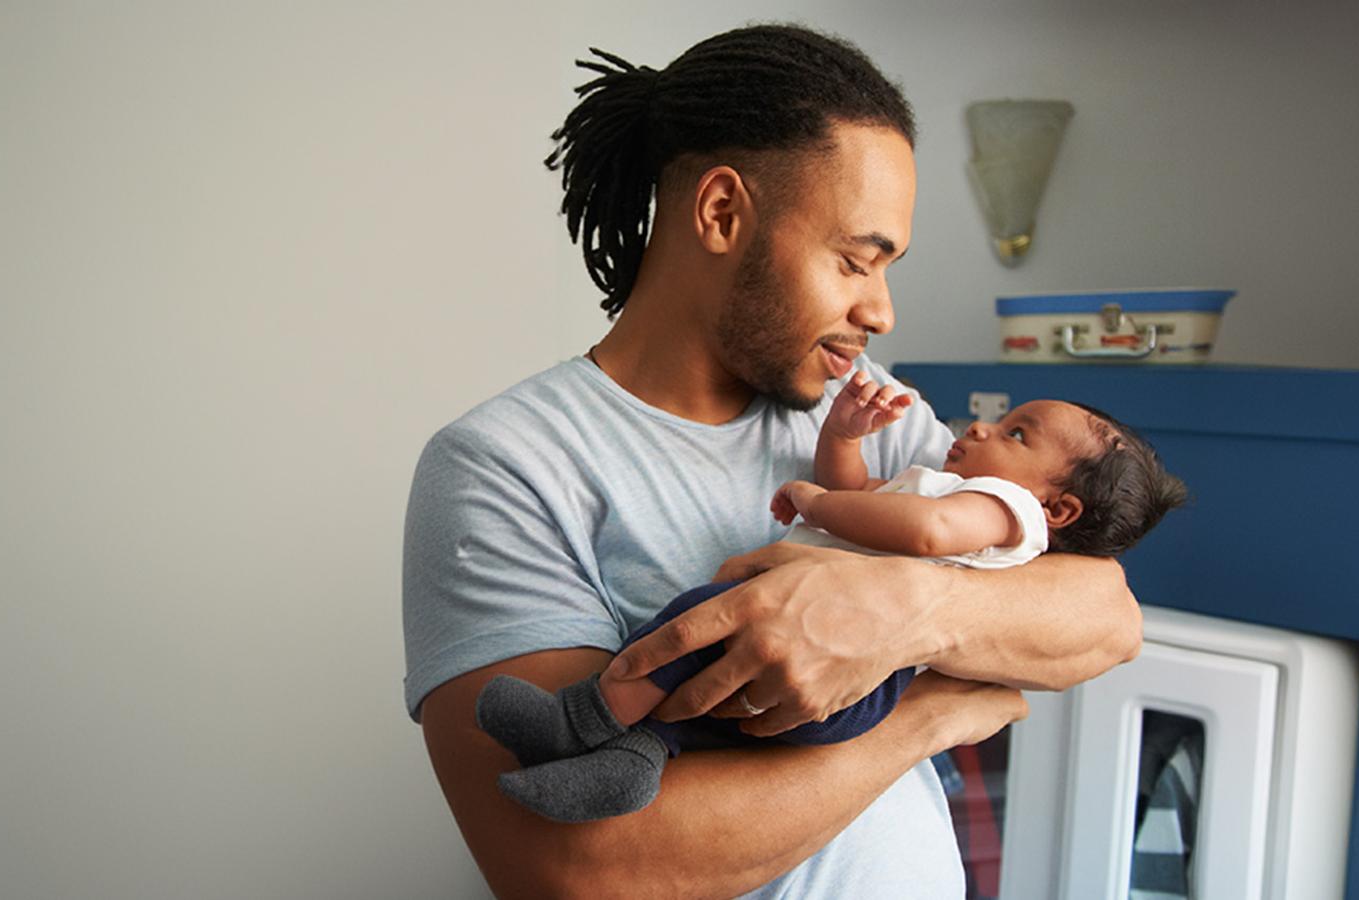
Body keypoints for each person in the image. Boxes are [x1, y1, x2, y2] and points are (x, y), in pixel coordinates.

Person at [403, 23, 1143, 898]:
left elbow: (1106, 615)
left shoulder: (863, 407)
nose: (882, 311)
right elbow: (576, 871)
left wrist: (899, 611)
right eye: (853, 261)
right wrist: (926, 717)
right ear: (721, 213)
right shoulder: (505, 466)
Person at [472, 375, 1188, 823]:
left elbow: (929, 531)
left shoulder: (1001, 510)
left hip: (854, 689)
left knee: (693, 620)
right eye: (852, 259)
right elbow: (863, 497)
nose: (978, 428)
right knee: (708, 688)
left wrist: (817, 502)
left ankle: (581, 719)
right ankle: (636, 758)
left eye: (1016, 433)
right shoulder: (947, 478)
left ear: (1055, 509)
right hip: (825, 691)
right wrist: (843, 437)